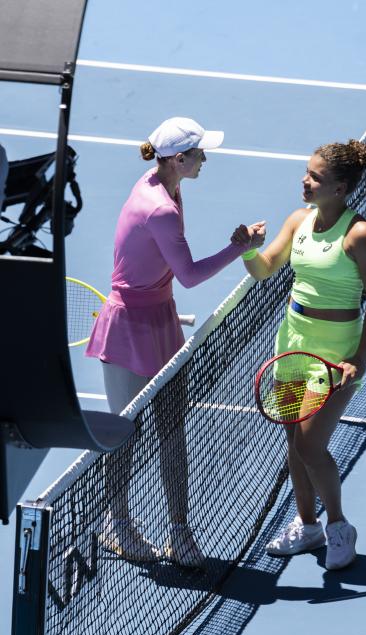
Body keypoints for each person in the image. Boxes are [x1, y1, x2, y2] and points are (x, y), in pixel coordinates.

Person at [85, 116, 265, 566]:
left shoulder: (165, 183)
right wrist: (238, 248)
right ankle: (117, 524)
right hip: (128, 329)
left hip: (160, 319)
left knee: (172, 433)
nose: (205, 158)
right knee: (122, 435)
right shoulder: (159, 206)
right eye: (200, 153)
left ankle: (180, 533)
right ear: (179, 159)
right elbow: (188, 276)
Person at [242, 139, 366, 570]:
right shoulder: (298, 221)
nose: (305, 181)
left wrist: (359, 358)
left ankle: (339, 526)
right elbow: (265, 267)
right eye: (307, 172)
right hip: (292, 345)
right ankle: (308, 528)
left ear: (340, 188)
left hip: (336, 354)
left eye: (316, 177)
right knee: (293, 438)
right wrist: (246, 248)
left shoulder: (360, 235)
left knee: (310, 444)